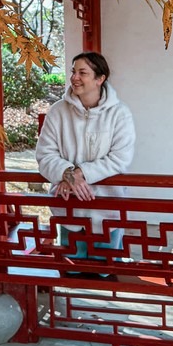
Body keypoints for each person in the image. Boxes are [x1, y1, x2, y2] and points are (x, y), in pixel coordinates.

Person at [35, 51, 135, 275]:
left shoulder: (120, 114)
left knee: (105, 272)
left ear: (100, 79)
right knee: (72, 270)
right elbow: (45, 154)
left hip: (107, 204)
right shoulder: (58, 111)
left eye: (83, 73)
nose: (74, 77)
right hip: (70, 204)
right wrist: (67, 173)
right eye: (73, 71)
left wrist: (79, 174)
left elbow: (120, 157)